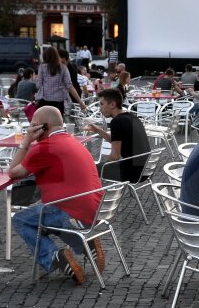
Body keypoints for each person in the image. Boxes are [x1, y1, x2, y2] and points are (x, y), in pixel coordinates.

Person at [9, 105, 104, 285]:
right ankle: (85, 244)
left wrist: (26, 141)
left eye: (33, 125)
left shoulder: (44, 148)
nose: (30, 128)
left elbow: (13, 172)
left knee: (21, 219)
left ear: (43, 127)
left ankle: (55, 257)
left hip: (71, 210)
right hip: (94, 208)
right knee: (40, 210)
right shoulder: (74, 140)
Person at [88, 87, 149, 183]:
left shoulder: (117, 122)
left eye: (101, 104)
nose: (100, 109)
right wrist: (98, 130)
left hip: (133, 173)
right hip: (146, 169)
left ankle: (95, 196)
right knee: (98, 167)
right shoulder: (132, 117)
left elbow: (114, 156)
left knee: (90, 170)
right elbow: (117, 139)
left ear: (112, 104)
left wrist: (103, 166)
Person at [35, 46, 84, 115]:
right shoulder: (63, 68)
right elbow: (70, 86)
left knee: (45, 123)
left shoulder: (42, 67)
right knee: (58, 123)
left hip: (45, 101)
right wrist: (81, 103)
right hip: (59, 102)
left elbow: (39, 85)